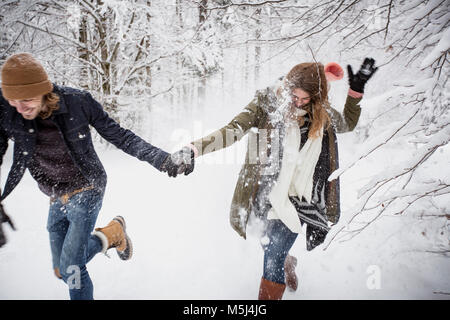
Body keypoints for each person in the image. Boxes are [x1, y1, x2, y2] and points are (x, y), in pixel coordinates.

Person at [0, 52, 192, 300]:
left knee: (72, 266)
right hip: (56, 193)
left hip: (86, 187)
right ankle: (112, 234)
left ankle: (107, 238)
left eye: (26, 99)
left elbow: (120, 135)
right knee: (62, 270)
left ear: (44, 90)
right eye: (13, 100)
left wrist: (162, 159)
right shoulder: (8, 110)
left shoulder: (77, 102)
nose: (19, 107)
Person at [185, 58, 378, 300]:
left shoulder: (322, 113)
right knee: (269, 246)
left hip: (301, 198)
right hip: (267, 192)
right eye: (293, 96)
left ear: (316, 97)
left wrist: (355, 91)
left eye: (304, 99)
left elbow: (348, 123)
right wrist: (194, 149)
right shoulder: (266, 104)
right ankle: (288, 262)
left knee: (272, 255)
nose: (297, 102)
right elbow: (232, 129)